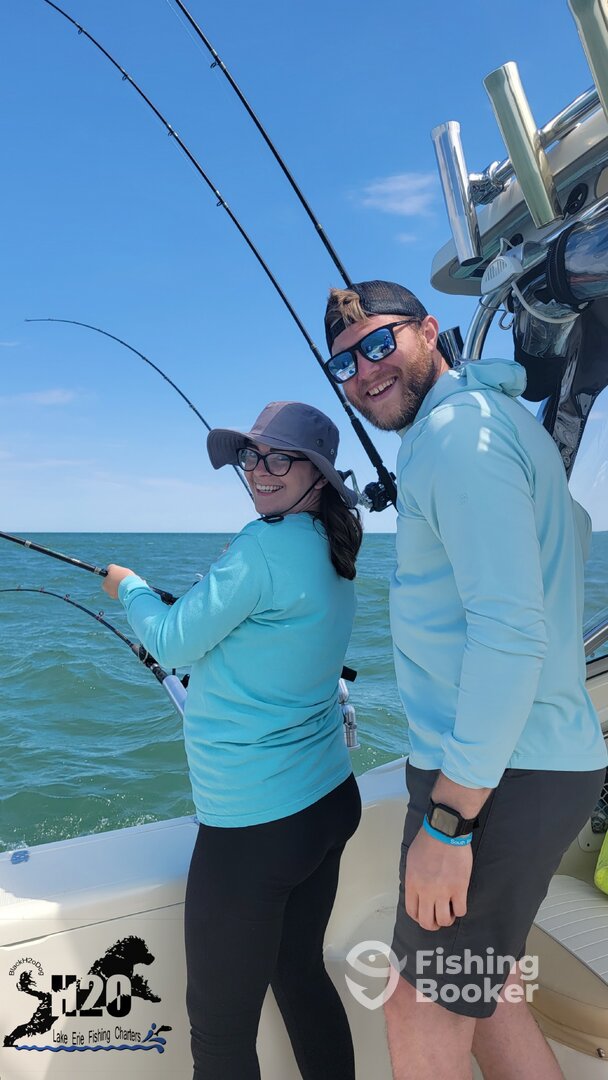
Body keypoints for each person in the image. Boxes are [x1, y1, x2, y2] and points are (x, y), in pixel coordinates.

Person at [323, 280, 607, 1080]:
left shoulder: (457, 439)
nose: (364, 371)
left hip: (496, 777)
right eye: (344, 363)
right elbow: (573, 533)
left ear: (429, 330)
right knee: (491, 993)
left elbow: (510, 632)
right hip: (511, 761)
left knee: (422, 1004)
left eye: (380, 344)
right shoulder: (491, 422)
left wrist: (450, 823)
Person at [102, 401, 363, 1080]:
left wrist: (130, 588)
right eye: (251, 456)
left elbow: (169, 640)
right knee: (300, 974)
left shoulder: (261, 547)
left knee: (219, 1038)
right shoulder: (331, 546)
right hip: (328, 802)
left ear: (319, 474)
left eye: (280, 457)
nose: (259, 470)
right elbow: (266, 630)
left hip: (256, 830)